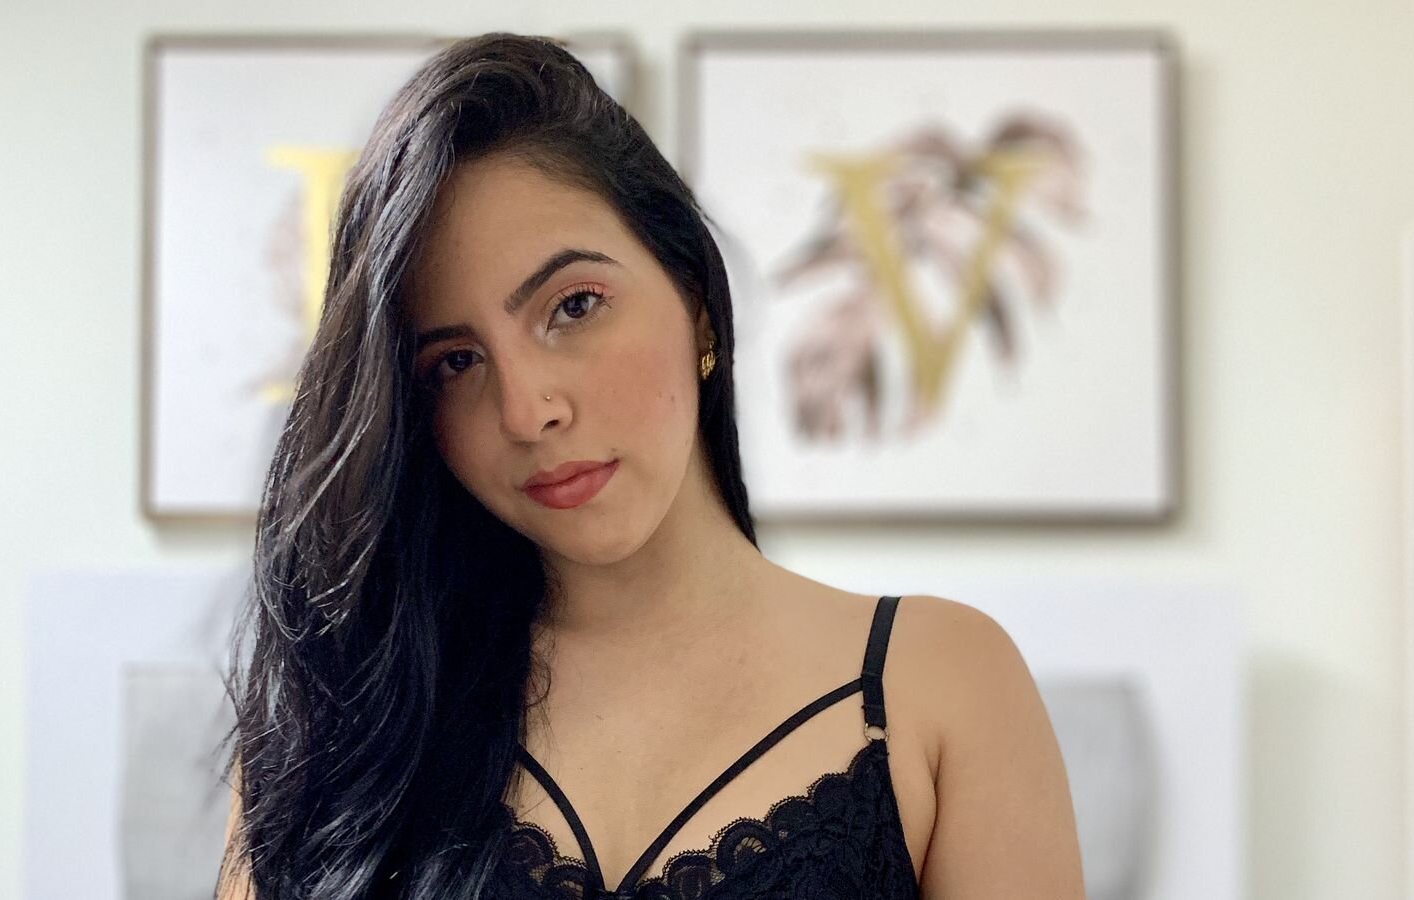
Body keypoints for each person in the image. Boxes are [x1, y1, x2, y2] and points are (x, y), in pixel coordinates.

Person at [216, 31, 1084, 900]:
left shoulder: (938, 688)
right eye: (456, 361)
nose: (527, 410)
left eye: (574, 306)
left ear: (694, 300)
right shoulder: (340, 725)